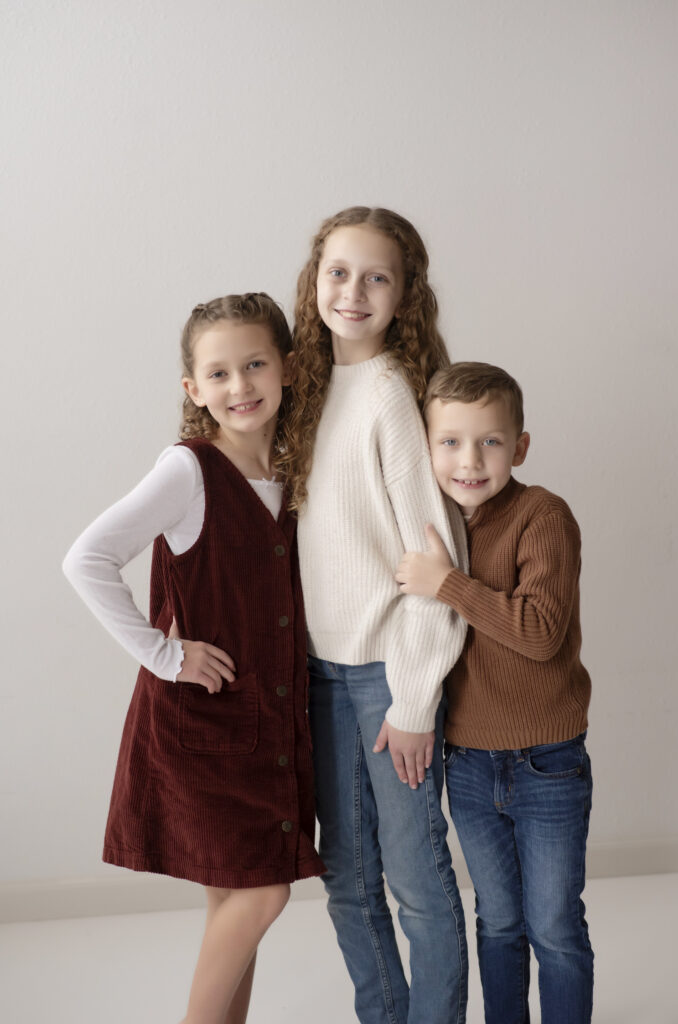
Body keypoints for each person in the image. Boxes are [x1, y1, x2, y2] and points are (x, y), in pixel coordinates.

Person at [63, 293, 325, 1024]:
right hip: (201, 730)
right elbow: (86, 559)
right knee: (262, 893)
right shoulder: (188, 471)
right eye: (219, 373)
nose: (240, 385)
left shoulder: (291, 472)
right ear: (194, 388)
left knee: (233, 904)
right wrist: (164, 655)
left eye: (255, 365)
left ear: (288, 368)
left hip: (265, 731)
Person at [281, 207, 470, 1024]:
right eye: (338, 272)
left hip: (388, 682)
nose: (352, 292)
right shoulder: (308, 390)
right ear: (314, 281)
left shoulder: (391, 394)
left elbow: (437, 564)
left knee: (417, 882)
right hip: (321, 677)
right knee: (348, 881)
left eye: (376, 277)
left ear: (405, 295)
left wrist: (414, 700)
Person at [396, 361, 594, 1024]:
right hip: (469, 762)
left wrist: (447, 584)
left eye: (490, 441)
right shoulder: (434, 525)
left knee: (554, 925)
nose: (470, 460)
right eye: (450, 442)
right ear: (427, 449)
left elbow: (539, 632)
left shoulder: (543, 516)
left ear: (521, 446)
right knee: (500, 921)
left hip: (547, 761)